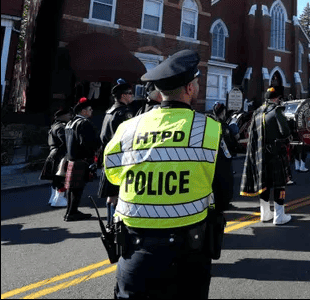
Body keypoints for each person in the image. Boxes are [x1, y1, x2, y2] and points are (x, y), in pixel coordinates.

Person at [104, 49, 232, 299]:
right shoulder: (210, 131)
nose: (197, 87)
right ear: (188, 89)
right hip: (188, 257)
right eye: (196, 83)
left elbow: (112, 177)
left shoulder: (127, 129)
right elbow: (224, 194)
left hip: (135, 254)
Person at [240, 85, 293, 225]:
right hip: (276, 154)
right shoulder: (277, 111)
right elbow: (285, 132)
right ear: (277, 98)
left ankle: (265, 214)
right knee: (279, 185)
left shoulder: (257, 112)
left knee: (264, 184)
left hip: (260, 156)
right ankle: (279, 216)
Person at [98, 80, 135, 227]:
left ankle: (109, 223)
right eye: (130, 94)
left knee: (111, 195)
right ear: (124, 96)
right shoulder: (125, 113)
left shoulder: (110, 111)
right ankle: (115, 225)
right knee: (118, 195)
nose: (132, 97)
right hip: (120, 158)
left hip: (108, 156)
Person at [64, 98, 100, 221]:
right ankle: (72, 212)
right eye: (89, 109)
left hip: (71, 158)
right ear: (83, 111)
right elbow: (88, 142)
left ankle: (70, 211)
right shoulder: (84, 123)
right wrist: (94, 154)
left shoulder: (70, 122)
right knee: (77, 188)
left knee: (71, 188)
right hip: (81, 159)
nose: (91, 111)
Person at [40, 108, 73, 208]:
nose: (70, 117)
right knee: (61, 178)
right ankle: (58, 200)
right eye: (68, 115)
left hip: (54, 154)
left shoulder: (54, 126)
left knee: (55, 179)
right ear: (61, 117)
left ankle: (54, 198)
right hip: (60, 155)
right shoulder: (61, 127)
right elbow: (65, 140)